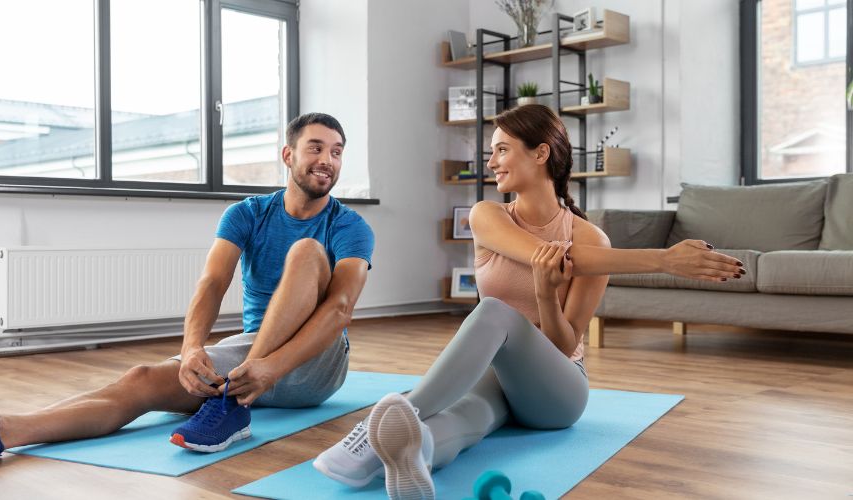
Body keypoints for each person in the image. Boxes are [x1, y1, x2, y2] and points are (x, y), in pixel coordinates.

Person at [313, 104, 745, 499]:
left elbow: (564, 342)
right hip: (499, 376)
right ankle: (415, 456)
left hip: (558, 392)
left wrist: (544, 295)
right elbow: (548, 255)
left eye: (501, 149)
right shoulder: (488, 215)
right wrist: (665, 259)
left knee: (495, 312)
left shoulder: (592, 240)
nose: (491, 161)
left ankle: (376, 429)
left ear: (540, 154)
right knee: (469, 415)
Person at [0, 112, 375, 469]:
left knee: (308, 253)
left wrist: (269, 367)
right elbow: (212, 283)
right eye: (316, 148)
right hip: (252, 355)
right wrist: (192, 349)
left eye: (336, 152)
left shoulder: (349, 227)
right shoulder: (247, 213)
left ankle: (235, 398)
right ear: (288, 155)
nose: (326, 161)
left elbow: (339, 309)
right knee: (140, 380)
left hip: (315, 364)